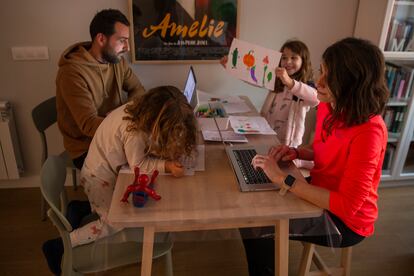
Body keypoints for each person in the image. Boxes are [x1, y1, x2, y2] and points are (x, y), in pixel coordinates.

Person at [245, 37, 389, 275]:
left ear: (352, 82)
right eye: (321, 71)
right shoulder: (329, 106)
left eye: (328, 76)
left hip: (346, 222)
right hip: (318, 191)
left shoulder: (370, 132)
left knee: (255, 226)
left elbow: (347, 206)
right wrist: (296, 152)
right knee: (253, 208)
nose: (318, 81)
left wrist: (284, 179)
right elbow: (321, 149)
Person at [43, 86, 197, 274]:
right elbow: (138, 164)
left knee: (112, 206)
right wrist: (166, 166)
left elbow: (140, 149)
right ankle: (61, 244)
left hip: (102, 171)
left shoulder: (138, 111)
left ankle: (81, 208)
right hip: (98, 178)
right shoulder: (134, 133)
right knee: (114, 223)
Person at [56, 9, 145, 170]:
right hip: (85, 146)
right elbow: (89, 125)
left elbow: (138, 89)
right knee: (140, 165)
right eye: (122, 41)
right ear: (101, 39)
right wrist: (120, 121)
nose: (128, 48)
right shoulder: (72, 73)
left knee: (151, 152)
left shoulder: (117, 61)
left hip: (114, 133)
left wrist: (123, 114)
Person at [221, 39, 319, 148]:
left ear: (304, 61)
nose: (288, 62)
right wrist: (232, 67)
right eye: (284, 58)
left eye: (294, 57)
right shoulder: (276, 80)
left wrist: (290, 82)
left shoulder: (305, 85)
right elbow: (253, 78)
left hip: (288, 144)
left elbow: (315, 98)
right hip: (267, 133)